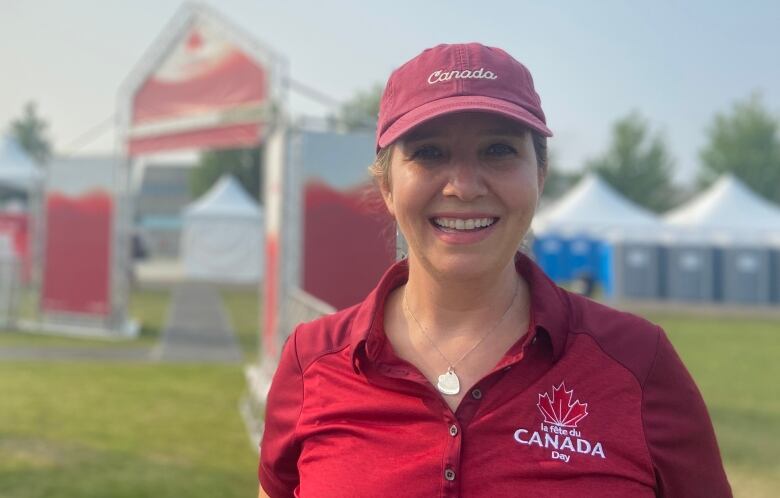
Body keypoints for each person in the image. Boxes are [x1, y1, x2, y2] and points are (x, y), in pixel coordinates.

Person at [258, 43, 731, 498]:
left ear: (539, 177)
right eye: (429, 153)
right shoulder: (312, 360)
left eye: (499, 150)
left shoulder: (638, 362)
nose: (464, 187)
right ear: (385, 185)